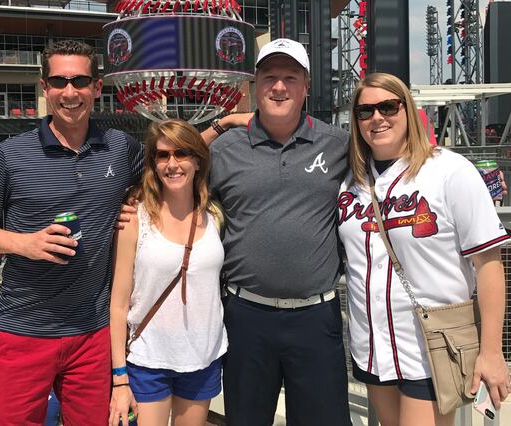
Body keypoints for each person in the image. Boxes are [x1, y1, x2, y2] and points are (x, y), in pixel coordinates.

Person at [0, 40, 143, 425]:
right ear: (45, 88)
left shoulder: (121, 148)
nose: (69, 92)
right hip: (23, 331)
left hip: (92, 334)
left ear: (97, 87)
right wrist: (23, 242)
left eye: (80, 81)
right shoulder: (11, 154)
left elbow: (175, 164)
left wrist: (227, 124)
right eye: (59, 81)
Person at [337, 72, 510, 426]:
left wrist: (492, 351)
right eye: (365, 111)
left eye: (388, 106)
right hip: (371, 346)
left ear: (408, 110)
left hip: (433, 346)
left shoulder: (449, 170)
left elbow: (488, 263)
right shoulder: (350, 181)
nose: (377, 118)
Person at [208, 38, 351, 425]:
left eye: (290, 77)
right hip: (245, 315)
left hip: (315, 316)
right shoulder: (225, 150)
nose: (279, 87)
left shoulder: (339, 144)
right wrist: (219, 124)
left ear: (306, 85)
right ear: (255, 85)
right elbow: (170, 171)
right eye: (269, 77)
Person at [109, 120, 227, 426]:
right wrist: (119, 378)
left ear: (198, 161)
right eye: (163, 156)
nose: (172, 164)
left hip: (203, 355)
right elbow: (119, 304)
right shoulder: (136, 217)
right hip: (150, 358)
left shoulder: (213, 215)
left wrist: (227, 122)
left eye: (182, 153)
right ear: (153, 164)